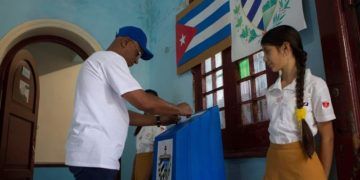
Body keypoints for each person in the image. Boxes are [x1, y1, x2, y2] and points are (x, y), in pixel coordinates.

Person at [65, 26, 192, 180]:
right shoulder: (110, 59)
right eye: (138, 53)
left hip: (92, 154)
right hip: (96, 154)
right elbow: (143, 101)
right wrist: (178, 109)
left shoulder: (100, 62)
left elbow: (124, 115)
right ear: (125, 42)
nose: (137, 61)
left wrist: (158, 120)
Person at [261, 25, 335, 179]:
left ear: (285, 48)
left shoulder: (315, 85)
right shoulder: (271, 92)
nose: (264, 58)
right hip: (274, 166)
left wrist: (323, 175)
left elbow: (327, 137)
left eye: (267, 52)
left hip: (304, 166)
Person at [131, 89, 166, 180]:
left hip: (149, 168)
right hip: (139, 165)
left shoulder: (159, 125)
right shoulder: (142, 124)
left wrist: (147, 176)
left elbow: (157, 153)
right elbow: (138, 152)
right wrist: (133, 175)